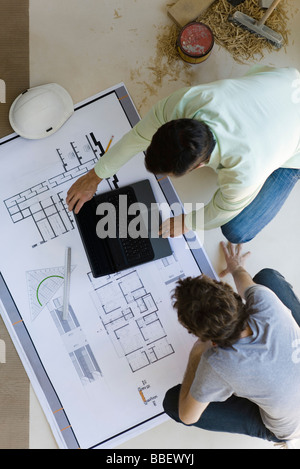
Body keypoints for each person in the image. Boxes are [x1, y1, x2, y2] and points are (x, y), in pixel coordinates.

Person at [66, 66, 300, 243]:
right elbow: (138, 136)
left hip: (294, 138)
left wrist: (188, 222)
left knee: (237, 231)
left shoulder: (244, 173)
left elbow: (221, 210)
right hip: (285, 80)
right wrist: (94, 177)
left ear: (198, 167)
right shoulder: (187, 102)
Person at [162, 242, 300, 447]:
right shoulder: (264, 300)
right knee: (267, 277)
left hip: (291, 428)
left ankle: (279, 435)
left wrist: (196, 354)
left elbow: (187, 416)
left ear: (199, 335)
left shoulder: (217, 363)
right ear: (231, 293)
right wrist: (235, 266)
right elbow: (242, 276)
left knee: (173, 402)